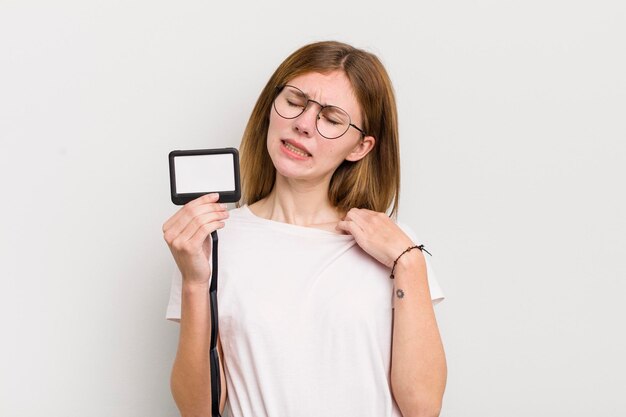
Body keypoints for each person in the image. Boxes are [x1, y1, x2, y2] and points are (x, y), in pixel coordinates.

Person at [163, 40, 447, 417]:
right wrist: (195, 283)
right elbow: (198, 411)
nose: (303, 124)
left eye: (331, 119)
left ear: (360, 147)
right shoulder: (212, 240)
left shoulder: (395, 246)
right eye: (295, 102)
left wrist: (410, 264)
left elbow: (423, 408)